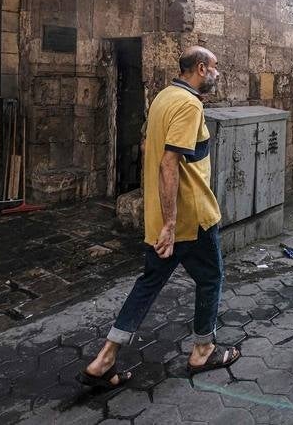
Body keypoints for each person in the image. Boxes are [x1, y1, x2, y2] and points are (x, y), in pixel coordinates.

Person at [77, 46, 239, 387]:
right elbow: (169, 163)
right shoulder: (189, 104)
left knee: (148, 283)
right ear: (199, 68)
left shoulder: (164, 96)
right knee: (211, 278)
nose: (217, 73)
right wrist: (170, 223)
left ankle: (105, 358)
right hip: (190, 217)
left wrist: (161, 219)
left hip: (166, 216)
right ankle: (203, 350)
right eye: (214, 67)